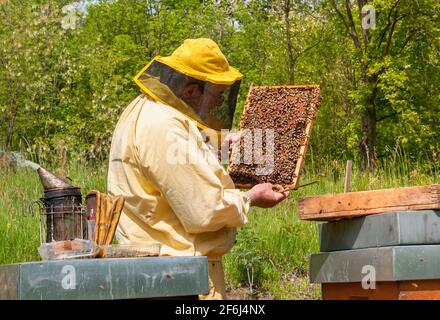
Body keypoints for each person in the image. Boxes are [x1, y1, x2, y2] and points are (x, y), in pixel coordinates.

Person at [107, 38, 289, 299]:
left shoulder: (143, 110)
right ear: (191, 91)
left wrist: (216, 147)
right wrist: (251, 198)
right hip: (179, 279)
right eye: (215, 95)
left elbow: (171, 165)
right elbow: (203, 211)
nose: (217, 104)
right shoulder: (165, 127)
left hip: (158, 274)